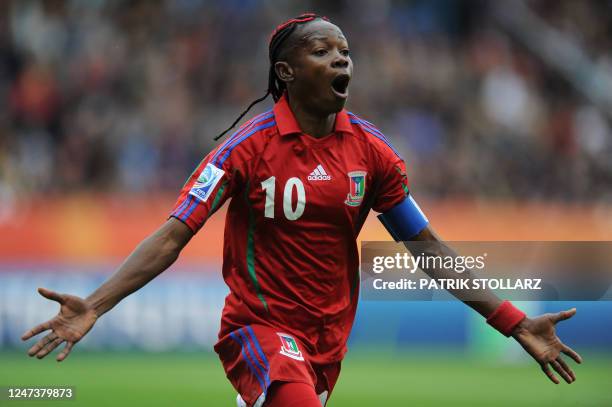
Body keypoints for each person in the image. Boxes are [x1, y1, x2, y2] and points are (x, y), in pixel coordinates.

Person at [22, 13, 582, 407]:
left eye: (344, 51)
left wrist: (512, 321)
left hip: (328, 341)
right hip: (258, 329)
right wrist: (95, 305)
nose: (341, 58)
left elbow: (428, 249)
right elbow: (173, 236)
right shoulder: (246, 148)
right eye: (322, 50)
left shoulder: (373, 152)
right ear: (286, 72)